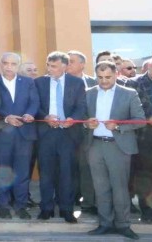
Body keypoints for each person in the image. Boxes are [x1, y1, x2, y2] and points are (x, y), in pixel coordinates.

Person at [83, 61, 146, 240]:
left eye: (108, 77)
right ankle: (105, 224)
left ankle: (123, 225)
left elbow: (140, 120)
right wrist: (87, 124)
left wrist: (118, 126)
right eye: (100, 77)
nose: (104, 81)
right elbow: (81, 117)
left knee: (119, 188)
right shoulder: (88, 93)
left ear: (116, 74)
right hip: (95, 146)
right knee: (100, 187)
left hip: (118, 146)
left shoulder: (129, 93)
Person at [34, 51, 86, 223]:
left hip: (68, 134)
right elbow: (34, 106)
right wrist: (45, 117)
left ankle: (67, 209)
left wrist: (73, 119)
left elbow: (81, 106)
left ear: (64, 66)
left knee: (67, 174)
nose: (49, 69)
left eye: (54, 66)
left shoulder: (76, 83)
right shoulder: (39, 82)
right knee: (46, 173)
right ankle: (46, 209)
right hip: (46, 134)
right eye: (48, 65)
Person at [0, 52, 39, 219]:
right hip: (2, 134)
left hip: (24, 133)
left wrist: (29, 114)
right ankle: (3, 205)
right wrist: (6, 117)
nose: (9, 67)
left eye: (13, 64)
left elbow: (34, 102)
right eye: (5, 63)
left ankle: (21, 205)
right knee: (3, 172)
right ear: (1, 64)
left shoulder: (28, 82)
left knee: (22, 172)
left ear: (18, 66)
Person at [127, 53, 152, 223]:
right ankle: (147, 213)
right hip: (145, 136)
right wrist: (148, 119)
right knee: (146, 175)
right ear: (148, 67)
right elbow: (129, 110)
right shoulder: (134, 84)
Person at [66, 49, 97, 214]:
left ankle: (89, 202)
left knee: (88, 169)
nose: (67, 64)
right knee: (68, 168)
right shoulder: (60, 82)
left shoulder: (95, 82)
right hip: (68, 133)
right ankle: (68, 199)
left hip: (91, 133)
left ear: (82, 64)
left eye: (71, 61)